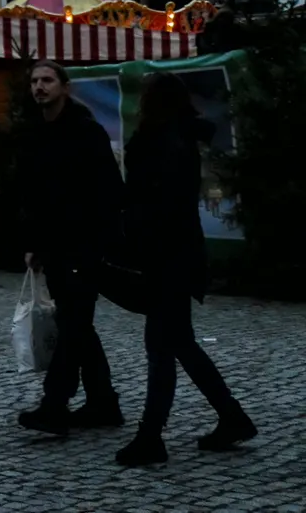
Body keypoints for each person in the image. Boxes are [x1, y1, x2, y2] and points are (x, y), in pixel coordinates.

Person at [114, 73, 256, 467]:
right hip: (178, 256)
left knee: (163, 348)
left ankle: (151, 437)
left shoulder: (161, 144)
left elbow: (154, 204)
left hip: (165, 258)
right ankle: (231, 417)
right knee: (179, 345)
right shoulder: (178, 140)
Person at [17, 60, 126, 437]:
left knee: (74, 324)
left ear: (64, 86)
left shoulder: (85, 132)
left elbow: (108, 190)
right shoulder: (35, 133)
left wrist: (98, 239)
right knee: (75, 323)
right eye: (34, 81)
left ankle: (54, 405)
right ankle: (103, 403)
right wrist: (33, 243)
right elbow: (34, 195)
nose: (39, 87)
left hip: (83, 244)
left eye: (47, 80)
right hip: (54, 245)